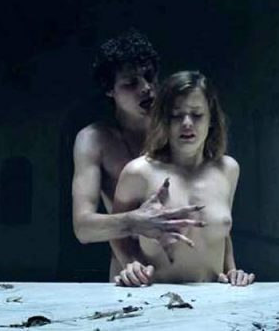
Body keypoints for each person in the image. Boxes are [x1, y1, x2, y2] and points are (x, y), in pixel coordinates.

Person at [71, 31, 205, 281]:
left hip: (187, 267)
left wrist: (229, 267)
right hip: (129, 271)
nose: (146, 88)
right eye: (131, 83)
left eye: (150, 77)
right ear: (110, 90)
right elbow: (83, 228)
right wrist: (136, 221)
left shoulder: (182, 130)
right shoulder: (94, 140)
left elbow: (214, 199)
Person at [110, 71, 254, 287]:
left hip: (215, 298)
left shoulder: (228, 169)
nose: (187, 123)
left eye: (197, 115)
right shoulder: (138, 172)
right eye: (176, 115)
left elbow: (222, 232)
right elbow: (116, 231)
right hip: (154, 297)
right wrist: (131, 265)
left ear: (211, 119)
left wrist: (232, 272)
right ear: (164, 121)